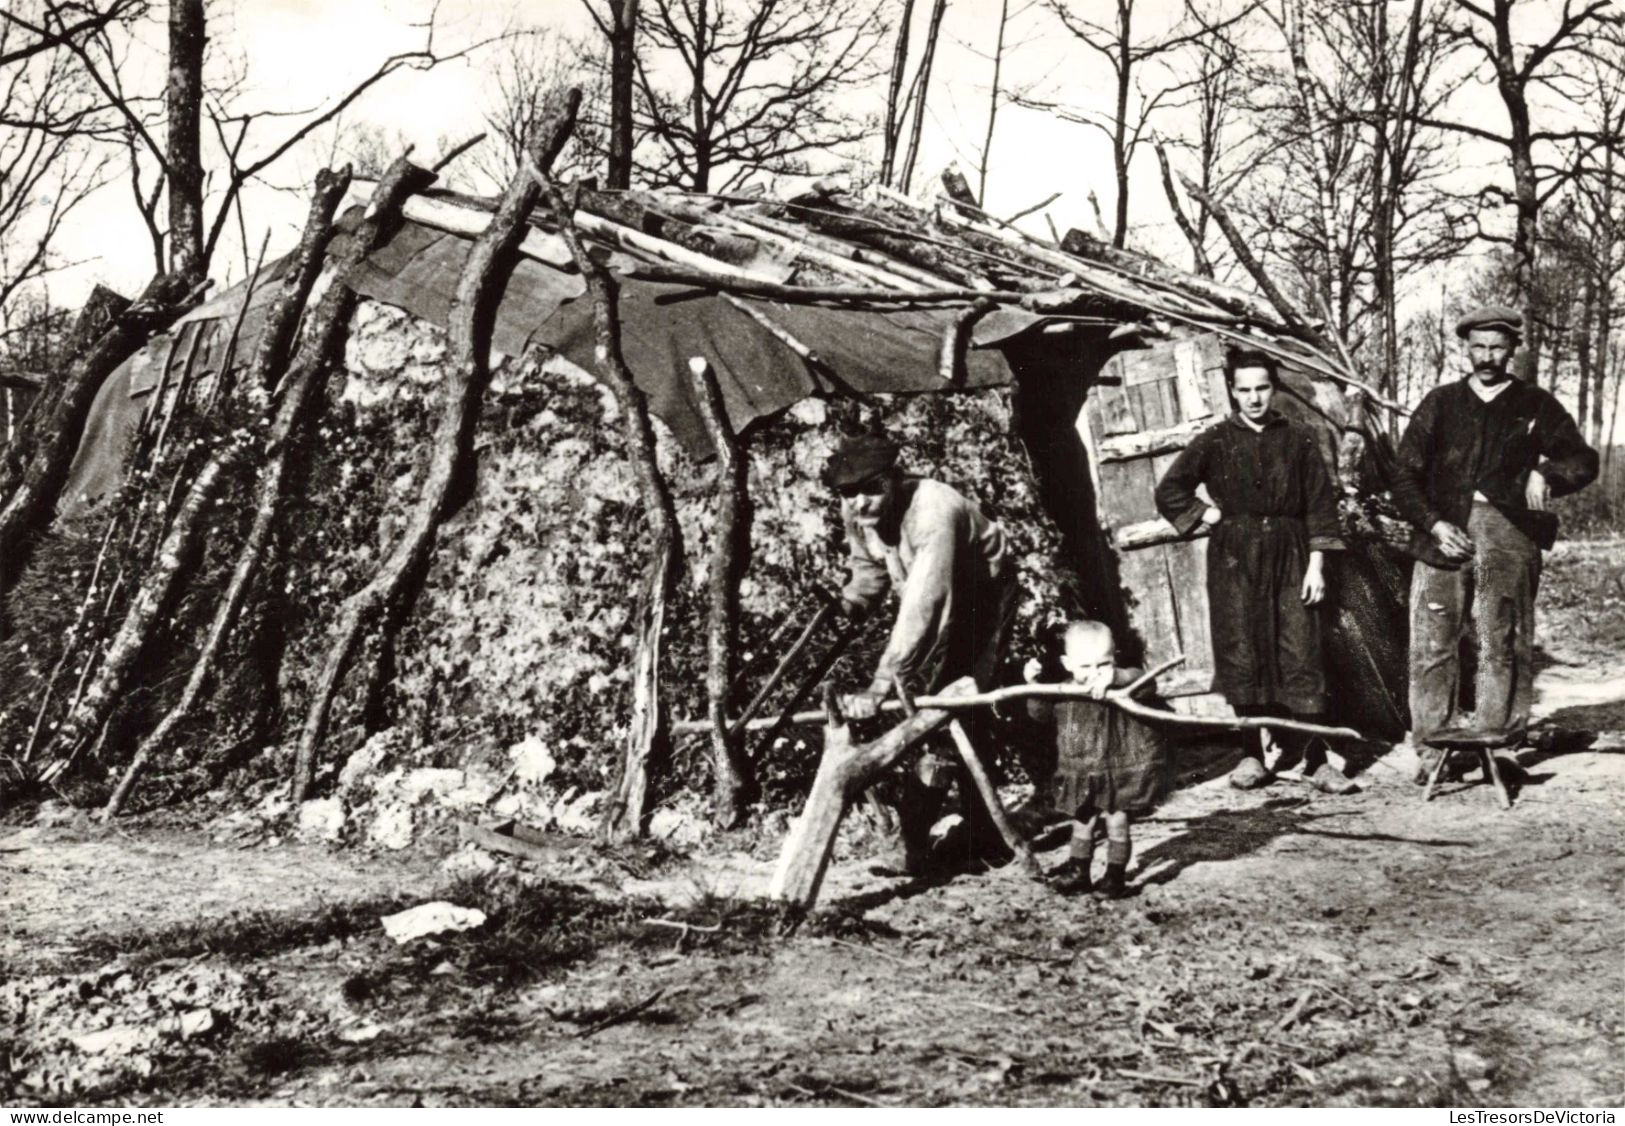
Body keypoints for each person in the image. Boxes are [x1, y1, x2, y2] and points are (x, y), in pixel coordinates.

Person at [1391, 305, 1598, 775]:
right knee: (1432, 643)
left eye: (1497, 348)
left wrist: (1547, 474)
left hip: (1509, 533)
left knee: (1501, 639)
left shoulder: (1535, 403)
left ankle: (1500, 745)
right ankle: (1432, 752)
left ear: (1512, 351)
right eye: (1479, 347)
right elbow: (1403, 474)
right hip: (1443, 534)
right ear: (1465, 348)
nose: (1487, 356)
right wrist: (1434, 525)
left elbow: (1583, 458)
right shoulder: (1440, 403)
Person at [1153, 347, 1356, 794]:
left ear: (1273, 388)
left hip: (1293, 553)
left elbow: (1322, 505)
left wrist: (1317, 564)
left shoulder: (1299, 438)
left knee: (1301, 647)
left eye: (1262, 387)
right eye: (1244, 390)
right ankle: (1251, 754)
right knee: (1241, 647)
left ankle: (1316, 758)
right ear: (1232, 391)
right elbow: (1170, 489)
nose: (1254, 398)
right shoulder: (1215, 439)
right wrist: (1204, 514)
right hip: (1235, 559)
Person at [823, 431, 1018, 874]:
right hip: (934, 593)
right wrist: (851, 601)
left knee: (953, 704)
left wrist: (880, 683)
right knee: (945, 712)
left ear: (895, 479)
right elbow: (869, 567)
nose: (860, 503)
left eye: (873, 489)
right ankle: (966, 833)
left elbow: (924, 605)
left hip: (983, 595)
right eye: (849, 494)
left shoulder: (933, 510)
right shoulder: (857, 506)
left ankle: (946, 839)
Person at [1024, 620, 1170, 898]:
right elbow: (1039, 714)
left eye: (1102, 664)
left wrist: (1115, 678)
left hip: (1118, 769)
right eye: (1085, 667)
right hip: (1080, 770)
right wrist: (1033, 684)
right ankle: (1079, 872)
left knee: (1117, 821)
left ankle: (1114, 877)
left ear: (1113, 658)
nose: (1094, 674)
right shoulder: (1064, 689)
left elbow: (1146, 683)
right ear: (1068, 664)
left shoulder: (1120, 682)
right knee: (1083, 821)